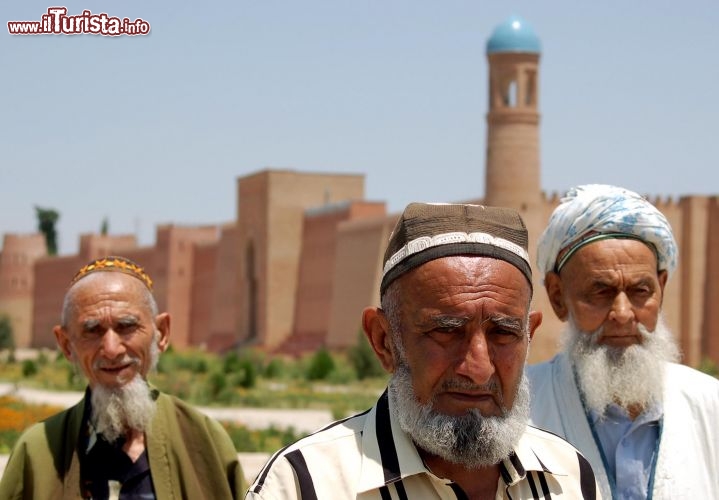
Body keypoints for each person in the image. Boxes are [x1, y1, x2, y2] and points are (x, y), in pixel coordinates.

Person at [247, 202, 599, 499]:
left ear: (529, 336)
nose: (478, 368)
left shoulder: (567, 478)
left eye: (503, 333)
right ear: (384, 340)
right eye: (447, 332)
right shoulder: (307, 485)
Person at [527, 184, 719, 499]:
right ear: (558, 297)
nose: (622, 313)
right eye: (600, 291)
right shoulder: (521, 411)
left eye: (640, 291)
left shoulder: (709, 405)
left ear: (661, 287)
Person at [0, 256, 246, 499]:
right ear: (66, 345)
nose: (111, 349)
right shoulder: (38, 452)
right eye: (92, 331)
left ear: (161, 334)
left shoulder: (202, 441)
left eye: (127, 326)